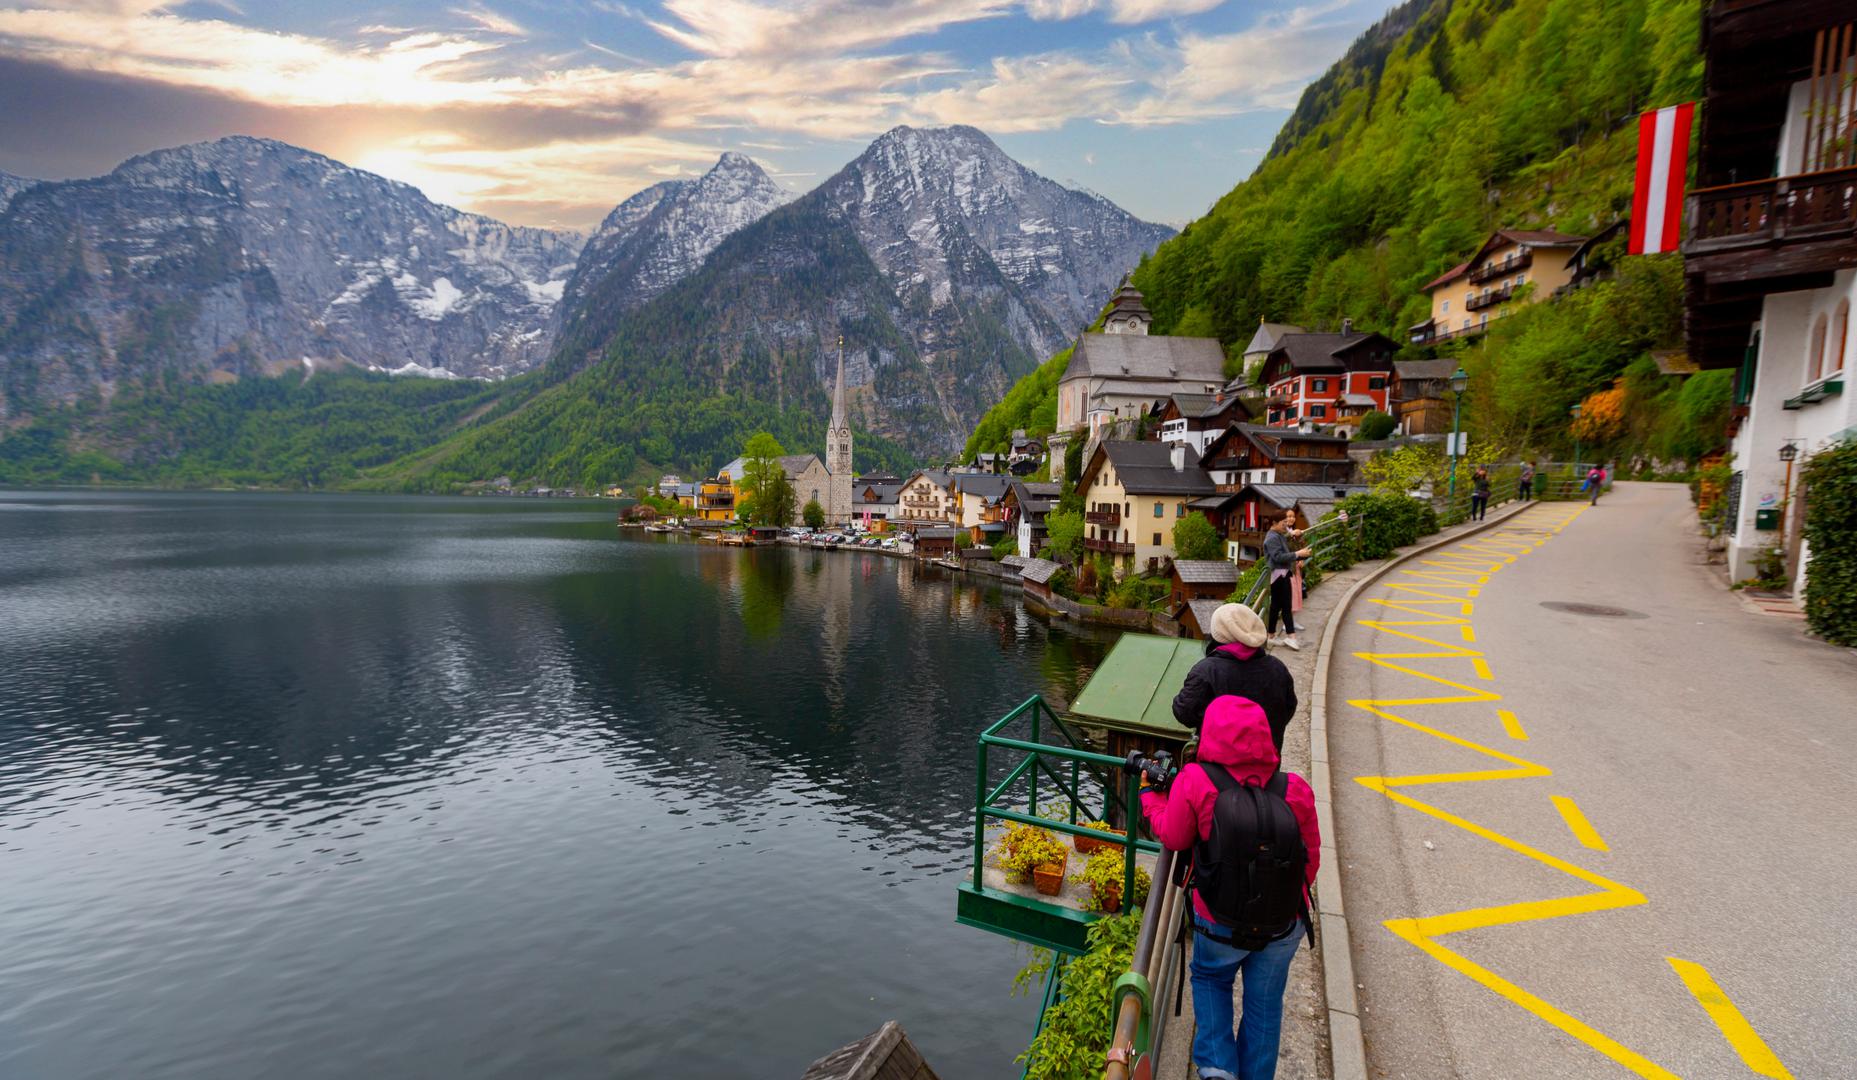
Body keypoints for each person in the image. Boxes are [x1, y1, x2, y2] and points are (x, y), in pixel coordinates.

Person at [1140, 695, 1321, 1080]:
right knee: (1265, 1007)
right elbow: (1311, 861)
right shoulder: (1295, 789)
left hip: (1217, 919)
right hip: (1282, 924)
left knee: (1211, 980)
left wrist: (1151, 799)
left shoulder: (1195, 781)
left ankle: (1218, 1072)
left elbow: (1173, 837)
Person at [1172, 602, 1297, 749]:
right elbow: (1289, 707)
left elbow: (1183, 712)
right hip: (1265, 759)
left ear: (1218, 634)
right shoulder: (1277, 667)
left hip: (1218, 762)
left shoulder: (1206, 670)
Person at [1261, 516, 1310, 651]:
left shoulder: (1278, 535)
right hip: (1279, 575)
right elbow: (1278, 557)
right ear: (1274, 522)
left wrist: (1301, 555)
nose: (1286, 525)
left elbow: (1285, 554)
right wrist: (1297, 554)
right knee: (1286, 606)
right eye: (1283, 523)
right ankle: (1291, 636)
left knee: (1276, 606)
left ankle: (1271, 635)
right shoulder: (1272, 538)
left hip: (1282, 574)